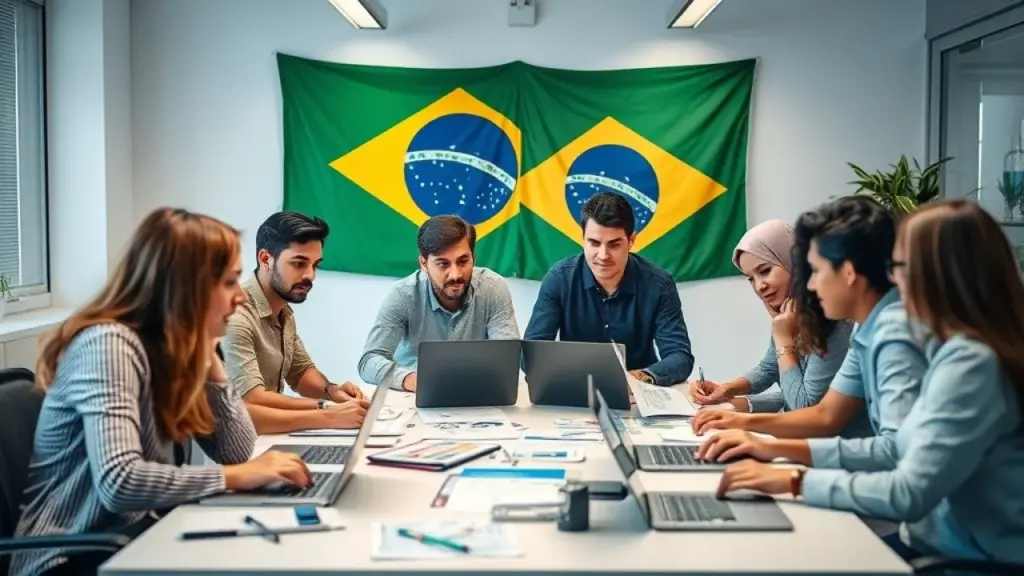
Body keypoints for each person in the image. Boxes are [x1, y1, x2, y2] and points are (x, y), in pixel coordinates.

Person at [712, 199, 1024, 564]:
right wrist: (772, 446)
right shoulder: (951, 347)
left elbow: (907, 491)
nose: (889, 276)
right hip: (940, 542)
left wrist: (793, 480)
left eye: (899, 265)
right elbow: (892, 448)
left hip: (968, 558)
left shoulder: (964, 361)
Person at [11, 208, 313, 576]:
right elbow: (120, 481)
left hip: (139, 538)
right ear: (187, 285)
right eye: (229, 282)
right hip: (71, 557)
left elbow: (236, 451)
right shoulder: (110, 345)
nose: (241, 297)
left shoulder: (176, 350)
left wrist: (209, 360)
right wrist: (234, 479)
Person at [693, 196, 926, 464]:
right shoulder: (866, 326)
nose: (811, 285)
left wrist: (788, 476)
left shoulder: (890, 334)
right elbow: (826, 415)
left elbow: (894, 459)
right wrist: (741, 415)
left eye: (815, 271)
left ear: (848, 272)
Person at [220, 212, 368, 434]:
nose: (310, 276)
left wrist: (332, 391)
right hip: (237, 450)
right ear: (265, 259)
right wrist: (326, 410)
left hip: (270, 435)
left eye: (315, 265)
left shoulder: (283, 309)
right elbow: (253, 398)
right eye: (299, 263)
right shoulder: (235, 316)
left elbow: (300, 372)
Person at [523, 192, 694, 386]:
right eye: (594, 243)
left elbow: (680, 356)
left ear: (631, 240)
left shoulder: (659, 284)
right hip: (574, 389)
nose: (603, 255)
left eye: (614, 245)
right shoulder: (559, 278)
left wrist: (640, 378)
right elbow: (530, 353)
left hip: (640, 393)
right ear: (583, 239)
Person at [689, 219, 852, 413]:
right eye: (751, 279)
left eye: (765, 271)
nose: (759, 286)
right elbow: (770, 370)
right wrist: (727, 391)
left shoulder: (832, 318)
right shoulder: (792, 311)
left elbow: (803, 405)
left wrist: (783, 337)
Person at [358, 215, 520, 391]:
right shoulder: (403, 294)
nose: (455, 274)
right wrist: (413, 381)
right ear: (424, 263)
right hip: (414, 395)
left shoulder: (493, 288)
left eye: (463, 261)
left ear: (474, 256)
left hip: (476, 393)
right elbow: (369, 361)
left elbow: (507, 356)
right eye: (443, 264)